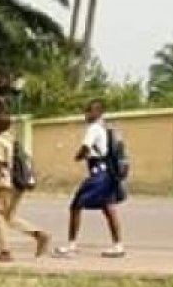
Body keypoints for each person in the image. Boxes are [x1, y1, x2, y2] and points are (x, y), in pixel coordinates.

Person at [54, 100, 125, 259]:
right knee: (108, 207)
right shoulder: (104, 128)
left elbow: (86, 147)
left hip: (98, 173)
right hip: (107, 172)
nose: (86, 115)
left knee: (75, 205)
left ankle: (72, 245)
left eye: (89, 111)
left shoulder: (93, 128)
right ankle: (118, 245)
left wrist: (78, 156)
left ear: (97, 113)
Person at [0, 115, 49, 262]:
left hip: (5, 183)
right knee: (9, 217)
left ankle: (4, 252)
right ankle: (38, 234)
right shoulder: (12, 141)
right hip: (18, 183)